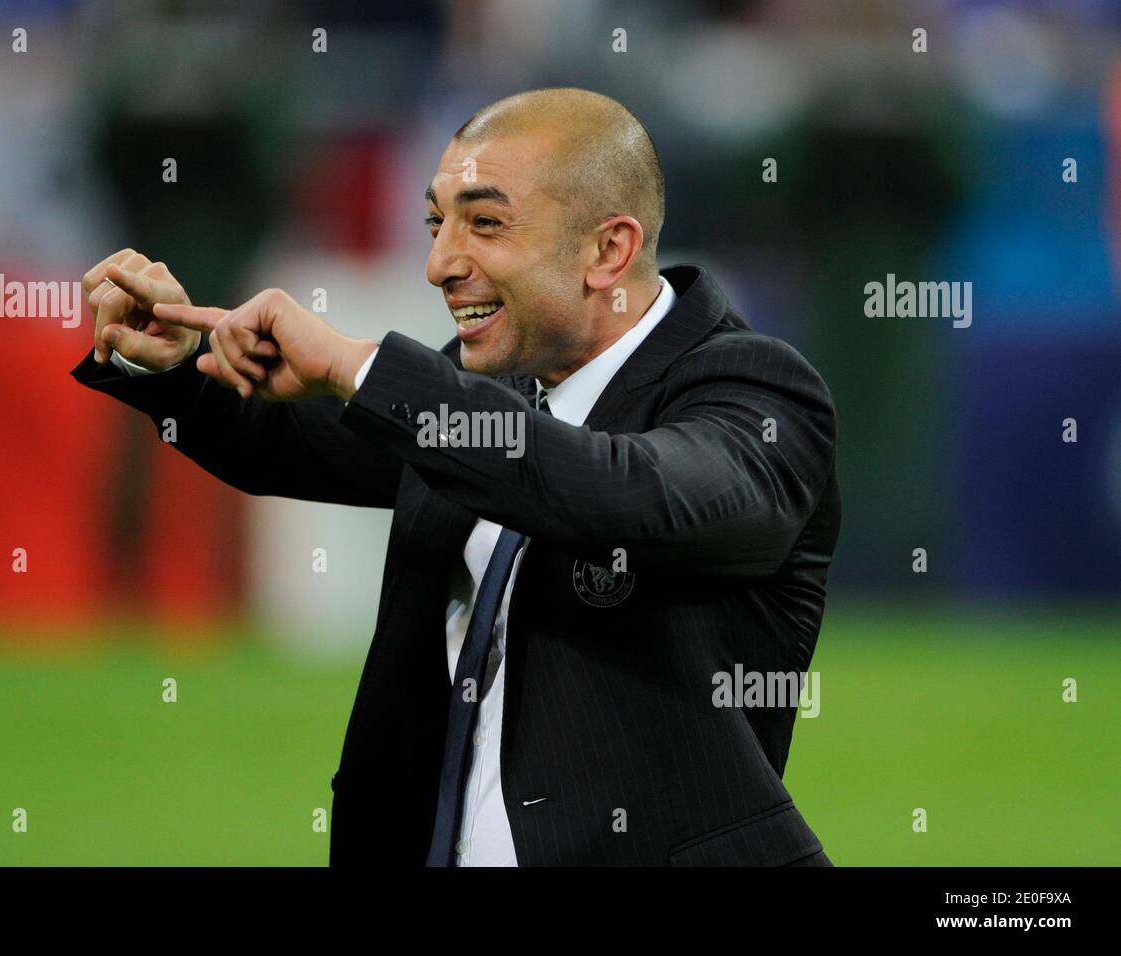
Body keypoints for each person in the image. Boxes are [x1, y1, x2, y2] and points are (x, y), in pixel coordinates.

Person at [71, 88, 840, 866]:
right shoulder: (495, 389)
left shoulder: (757, 391)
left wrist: (358, 365)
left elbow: (633, 495)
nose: (440, 264)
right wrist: (169, 364)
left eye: (486, 223)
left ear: (607, 251)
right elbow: (296, 441)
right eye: (437, 223)